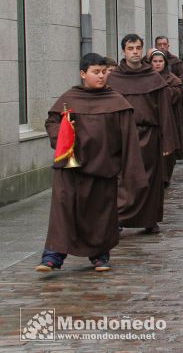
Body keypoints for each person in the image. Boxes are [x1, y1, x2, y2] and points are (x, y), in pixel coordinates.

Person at [36, 53, 144, 273]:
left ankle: (99, 255)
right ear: (83, 74)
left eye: (104, 72)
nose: (101, 76)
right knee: (64, 209)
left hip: (103, 167)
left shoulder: (116, 101)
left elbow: (129, 137)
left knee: (100, 213)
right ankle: (53, 256)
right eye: (96, 72)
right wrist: (63, 136)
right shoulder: (70, 98)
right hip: (71, 168)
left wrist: (132, 171)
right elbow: (52, 122)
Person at [107, 34, 177, 234]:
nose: (135, 52)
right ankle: (119, 218)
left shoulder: (153, 77)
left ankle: (149, 219)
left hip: (149, 135)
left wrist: (167, 141)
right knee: (123, 179)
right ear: (123, 51)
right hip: (122, 137)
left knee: (150, 180)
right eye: (131, 48)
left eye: (138, 48)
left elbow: (164, 110)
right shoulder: (113, 79)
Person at [149, 49, 183, 188]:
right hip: (151, 119)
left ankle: (165, 177)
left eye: (160, 61)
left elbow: (178, 93)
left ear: (165, 63)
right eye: (155, 61)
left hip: (169, 119)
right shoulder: (145, 78)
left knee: (168, 150)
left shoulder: (172, 79)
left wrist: (161, 93)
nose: (158, 64)